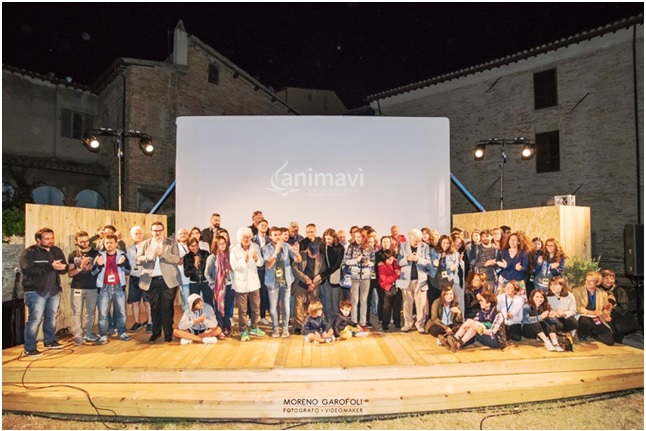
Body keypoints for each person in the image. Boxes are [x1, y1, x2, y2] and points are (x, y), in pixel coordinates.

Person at [20, 227, 69, 356]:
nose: (50, 241)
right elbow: (27, 270)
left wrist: (63, 267)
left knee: (51, 317)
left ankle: (50, 341)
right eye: (47, 239)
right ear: (38, 240)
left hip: (54, 290)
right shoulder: (29, 252)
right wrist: (50, 267)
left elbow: (64, 270)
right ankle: (29, 347)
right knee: (35, 320)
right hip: (35, 291)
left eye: (52, 238)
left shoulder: (57, 251)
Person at [136, 221, 182, 343]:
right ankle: (155, 333)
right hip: (151, 281)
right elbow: (138, 259)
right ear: (151, 231)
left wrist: (163, 254)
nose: (157, 232)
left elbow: (176, 259)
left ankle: (168, 334)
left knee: (167, 308)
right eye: (155, 230)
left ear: (163, 230)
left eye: (160, 230)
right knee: (154, 308)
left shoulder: (172, 242)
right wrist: (151, 256)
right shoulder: (145, 244)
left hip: (168, 281)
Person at [230, 227, 266, 342]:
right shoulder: (234, 250)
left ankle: (254, 327)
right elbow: (234, 266)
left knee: (256, 308)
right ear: (240, 238)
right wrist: (244, 260)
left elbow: (261, 263)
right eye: (245, 237)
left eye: (249, 237)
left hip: (254, 283)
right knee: (243, 310)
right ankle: (243, 330)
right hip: (241, 284)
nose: (247, 239)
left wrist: (256, 258)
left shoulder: (255, 247)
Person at [94, 234, 132, 344]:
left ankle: (122, 332)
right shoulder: (100, 255)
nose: (109, 245)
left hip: (118, 287)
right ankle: (103, 335)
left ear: (116, 244)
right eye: (107, 243)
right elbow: (93, 272)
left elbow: (128, 270)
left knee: (122, 312)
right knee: (103, 314)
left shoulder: (122, 255)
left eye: (111, 242)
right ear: (104, 244)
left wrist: (121, 264)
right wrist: (99, 265)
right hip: (104, 288)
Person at [263, 226, 300, 338]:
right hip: (272, 281)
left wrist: (297, 253)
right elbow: (268, 265)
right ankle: (275, 328)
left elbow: (298, 260)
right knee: (273, 307)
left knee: (286, 305)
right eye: (275, 235)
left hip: (286, 280)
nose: (278, 237)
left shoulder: (286, 246)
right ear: (270, 237)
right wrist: (276, 252)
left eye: (279, 234)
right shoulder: (266, 248)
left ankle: (285, 328)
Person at [67, 230, 100, 345]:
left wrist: (89, 265)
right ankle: (78, 335)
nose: (85, 243)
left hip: (92, 287)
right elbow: (70, 273)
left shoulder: (96, 253)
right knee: (77, 312)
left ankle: (88, 333)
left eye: (87, 241)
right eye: (82, 241)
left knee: (90, 312)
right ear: (76, 242)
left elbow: (98, 271)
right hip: (77, 287)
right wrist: (80, 267)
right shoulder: (73, 254)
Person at [397, 229, 431, 333]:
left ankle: (420, 324)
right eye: (415, 240)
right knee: (407, 304)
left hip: (421, 279)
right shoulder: (403, 246)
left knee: (421, 304)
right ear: (410, 237)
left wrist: (418, 259)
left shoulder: (425, 247)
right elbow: (399, 262)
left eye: (419, 240)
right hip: (406, 279)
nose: (417, 242)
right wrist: (408, 258)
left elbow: (429, 263)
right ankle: (408, 324)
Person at [292, 242, 327, 334]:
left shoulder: (321, 257)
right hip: (301, 283)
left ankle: (313, 324)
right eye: (312, 255)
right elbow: (295, 269)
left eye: (316, 254)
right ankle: (299, 326)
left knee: (313, 305)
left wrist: (314, 283)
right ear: (308, 250)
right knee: (298, 305)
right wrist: (305, 279)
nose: (314, 256)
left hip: (314, 285)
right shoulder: (301, 255)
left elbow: (323, 273)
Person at [343, 229, 375, 328]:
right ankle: (354, 321)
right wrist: (356, 260)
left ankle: (363, 322)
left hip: (366, 277)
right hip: (354, 276)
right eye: (355, 236)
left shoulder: (370, 247)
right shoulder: (351, 247)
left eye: (359, 237)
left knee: (364, 300)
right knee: (354, 300)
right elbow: (346, 261)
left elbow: (373, 261)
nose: (357, 239)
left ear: (364, 237)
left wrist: (369, 263)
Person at [573, 271, 614, 345]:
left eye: (591, 281)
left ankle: (592, 333)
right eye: (587, 280)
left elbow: (605, 308)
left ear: (597, 282)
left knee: (609, 341)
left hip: (596, 319)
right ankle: (582, 335)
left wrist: (606, 314)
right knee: (585, 320)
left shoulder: (603, 293)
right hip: (583, 316)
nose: (588, 282)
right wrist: (592, 312)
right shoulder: (577, 291)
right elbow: (577, 307)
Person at [205, 235, 235, 337]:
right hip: (218, 288)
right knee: (219, 309)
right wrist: (213, 285)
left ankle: (226, 326)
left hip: (230, 285)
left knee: (228, 307)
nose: (223, 245)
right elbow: (207, 273)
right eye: (220, 244)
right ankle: (220, 328)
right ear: (216, 245)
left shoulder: (229, 255)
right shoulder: (212, 258)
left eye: (224, 243)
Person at [126, 226, 152, 333]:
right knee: (135, 301)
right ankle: (137, 322)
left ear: (143, 234)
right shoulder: (129, 249)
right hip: (134, 278)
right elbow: (127, 264)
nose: (138, 235)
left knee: (147, 302)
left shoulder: (149, 246)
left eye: (139, 233)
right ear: (132, 236)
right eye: (135, 234)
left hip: (146, 277)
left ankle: (150, 322)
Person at [598, 269, 636, 343]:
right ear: (601, 279)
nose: (609, 280)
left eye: (612, 278)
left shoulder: (619, 290)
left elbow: (624, 307)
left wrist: (612, 307)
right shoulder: (597, 290)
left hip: (617, 316)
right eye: (606, 278)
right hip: (601, 314)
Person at [319, 228, 344, 325]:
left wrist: (323, 275)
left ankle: (336, 321)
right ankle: (328, 320)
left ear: (334, 238)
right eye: (325, 238)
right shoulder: (322, 246)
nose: (327, 241)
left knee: (334, 301)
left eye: (329, 239)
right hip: (324, 279)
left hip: (334, 278)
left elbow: (337, 265)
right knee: (326, 301)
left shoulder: (340, 248)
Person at [496, 232, 530, 301]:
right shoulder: (503, 252)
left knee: (519, 302)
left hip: (518, 281)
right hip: (505, 280)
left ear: (519, 242)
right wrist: (502, 265)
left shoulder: (524, 253)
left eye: (514, 240)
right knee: (501, 301)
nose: (512, 242)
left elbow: (526, 268)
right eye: (510, 240)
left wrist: (520, 268)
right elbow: (497, 263)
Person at [432, 235, 462, 312]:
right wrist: (434, 263)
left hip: (448, 279)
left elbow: (456, 265)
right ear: (440, 242)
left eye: (448, 243)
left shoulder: (454, 253)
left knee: (447, 299)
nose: (446, 245)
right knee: (435, 299)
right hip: (436, 279)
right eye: (444, 243)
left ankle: (447, 316)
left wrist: (454, 267)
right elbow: (430, 264)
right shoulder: (434, 251)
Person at [183, 238, 213, 307]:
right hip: (194, 283)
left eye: (196, 245)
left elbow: (209, 268)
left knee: (209, 302)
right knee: (194, 304)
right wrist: (195, 266)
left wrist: (200, 263)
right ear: (188, 247)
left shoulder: (205, 253)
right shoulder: (186, 257)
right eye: (192, 246)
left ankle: (209, 314)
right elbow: (186, 274)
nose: (195, 248)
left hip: (205, 281)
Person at [377, 248, 401, 331]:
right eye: (388, 259)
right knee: (387, 307)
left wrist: (398, 272)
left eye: (391, 258)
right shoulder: (382, 267)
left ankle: (397, 322)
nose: (391, 260)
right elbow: (385, 279)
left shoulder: (396, 263)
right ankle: (385, 324)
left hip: (397, 287)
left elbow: (400, 270)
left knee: (397, 306)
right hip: (387, 288)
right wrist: (396, 275)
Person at [253, 219, 271, 326]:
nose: (264, 227)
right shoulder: (253, 239)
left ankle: (263, 316)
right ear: (257, 226)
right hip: (255, 270)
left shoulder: (270, 239)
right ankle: (252, 317)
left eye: (265, 225)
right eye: (262, 225)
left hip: (267, 270)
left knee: (264, 294)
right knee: (254, 295)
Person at [175, 228, 192, 312]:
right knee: (186, 300)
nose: (183, 235)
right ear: (177, 237)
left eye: (185, 233)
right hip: (183, 278)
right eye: (180, 234)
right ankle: (186, 317)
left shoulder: (192, 245)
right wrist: (187, 256)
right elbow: (178, 262)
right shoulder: (175, 247)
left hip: (194, 278)